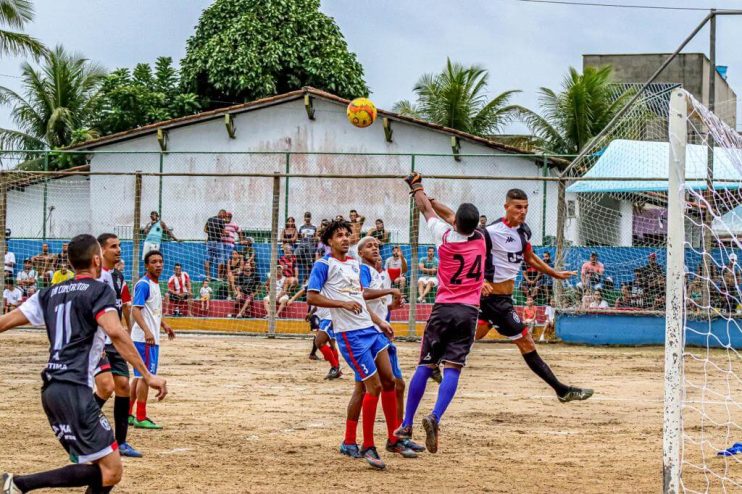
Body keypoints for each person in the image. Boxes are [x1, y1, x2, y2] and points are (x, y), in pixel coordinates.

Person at [0, 233, 167, 494]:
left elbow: (4, 323)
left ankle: (19, 484)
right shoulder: (100, 291)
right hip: (75, 389)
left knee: (100, 466)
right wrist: (146, 374)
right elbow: (115, 332)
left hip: (51, 391)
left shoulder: (48, 294)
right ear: (97, 260)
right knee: (111, 470)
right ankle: (19, 484)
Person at [465, 187, 592, 404]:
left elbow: (530, 257)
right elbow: (472, 257)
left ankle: (435, 360)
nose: (522, 211)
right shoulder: (490, 232)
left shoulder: (524, 231)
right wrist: (482, 281)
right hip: (495, 301)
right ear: (506, 207)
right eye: (517, 207)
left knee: (472, 335)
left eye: (525, 207)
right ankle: (561, 390)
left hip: (501, 300)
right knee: (526, 341)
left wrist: (555, 273)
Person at [394, 172, 487, 455]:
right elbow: (449, 215)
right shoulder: (482, 239)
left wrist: (418, 187)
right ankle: (435, 416)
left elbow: (427, 209)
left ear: (455, 223)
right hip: (469, 311)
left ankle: (407, 423)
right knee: (453, 368)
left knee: (425, 364)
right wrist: (431, 198)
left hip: (443, 308)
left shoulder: (444, 237)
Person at [306, 219, 398, 469]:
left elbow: (359, 297)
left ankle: (369, 440)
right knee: (374, 387)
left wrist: (380, 321)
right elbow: (311, 296)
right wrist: (341, 304)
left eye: (347, 234)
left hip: (370, 329)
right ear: (329, 241)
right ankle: (368, 445)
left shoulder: (355, 264)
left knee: (388, 380)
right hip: (350, 335)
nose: (345, 239)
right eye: (339, 235)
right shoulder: (324, 264)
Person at [356, 236, 423, 456]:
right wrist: (390, 292)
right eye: (369, 246)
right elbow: (363, 295)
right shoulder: (363, 270)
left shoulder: (378, 274)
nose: (374, 248)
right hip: (369, 334)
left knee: (398, 385)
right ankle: (368, 440)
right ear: (360, 252)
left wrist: (391, 306)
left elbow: (376, 305)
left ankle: (398, 436)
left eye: (376, 245)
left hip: (381, 334)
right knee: (373, 387)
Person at [91, 233, 140, 459]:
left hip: (114, 340)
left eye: (119, 246)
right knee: (106, 387)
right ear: (100, 250)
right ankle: (81, 424)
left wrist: (126, 334)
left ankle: (121, 442)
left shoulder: (119, 278)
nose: (118, 250)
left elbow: (122, 309)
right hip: (96, 341)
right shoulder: (93, 277)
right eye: (113, 246)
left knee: (123, 387)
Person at [129, 250, 176, 430]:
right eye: (154, 262)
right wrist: (148, 331)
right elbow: (135, 310)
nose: (158, 265)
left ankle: (129, 414)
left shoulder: (155, 284)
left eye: (160, 261)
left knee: (139, 377)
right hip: (145, 340)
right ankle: (141, 416)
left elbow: (152, 311)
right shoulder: (144, 284)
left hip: (147, 338)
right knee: (145, 377)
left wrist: (163, 325)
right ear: (146, 265)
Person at [295, 212, 318, 283]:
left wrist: (313, 239)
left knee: (309, 263)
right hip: (302, 245)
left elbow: (316, 237)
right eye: (306, 217)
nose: (307, 218)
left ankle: (307, 278)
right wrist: (301, 235)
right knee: (296, 253)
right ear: (304, 218)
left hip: (310, 245)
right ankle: (304, 264)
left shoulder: (314, 227)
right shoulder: (302, 227)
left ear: (311, 218)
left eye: (308, 217)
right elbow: (298, 236)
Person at [204, 209, 226, 280]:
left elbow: (205, 229)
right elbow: (224, 232)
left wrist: (211, 232)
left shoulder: (210, 219)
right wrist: (226, 234)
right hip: (218, 242)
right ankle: (219, 277)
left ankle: (208, 276)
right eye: (224, 216)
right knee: (220, 259)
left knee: (208, 259)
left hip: (210, 241)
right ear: (222, 214)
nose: (224, 218)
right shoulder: (221, 220)